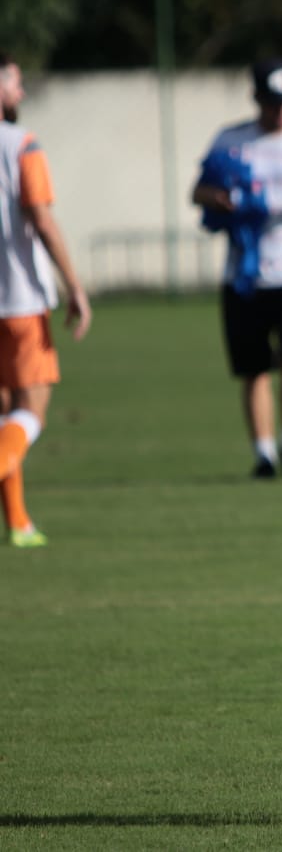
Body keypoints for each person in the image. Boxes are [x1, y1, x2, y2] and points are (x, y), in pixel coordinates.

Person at [192, 58, 282, 481]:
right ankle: (264, 454)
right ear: (256, 100)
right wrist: (219, 200)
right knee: (253, 367)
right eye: (273, 102)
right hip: (244, 269)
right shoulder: (231, 140)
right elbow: (199, 190)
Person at [0, 51, 92, 548]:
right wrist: (73, 284)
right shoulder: (20, 145)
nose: (20, 93)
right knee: (31, 411)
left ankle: (18, 522)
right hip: (17, 299)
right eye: (12, 83)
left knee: (3, 415)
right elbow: (40, 215)